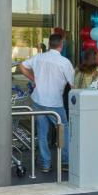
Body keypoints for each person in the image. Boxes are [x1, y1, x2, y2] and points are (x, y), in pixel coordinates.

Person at [18, 33, 75, 173]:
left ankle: (45, 164)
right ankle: (65, 162)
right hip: (55, 102)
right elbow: (73, 84)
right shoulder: (64, 62)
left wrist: (33, 78)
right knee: (64, 130)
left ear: (49, 44)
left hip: (38, 100)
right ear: (61, 45)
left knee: (42, 132)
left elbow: (21, 65)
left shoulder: (39, 57)